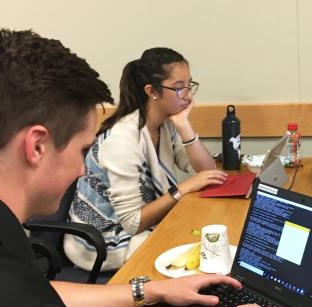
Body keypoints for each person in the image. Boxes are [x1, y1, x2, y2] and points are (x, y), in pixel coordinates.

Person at [0, 29, 291, 307]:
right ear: (37, 146)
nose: (85, 170)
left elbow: (41, 296)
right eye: (83, 150)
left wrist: (148, 290)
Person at [65, 47, 227, 271]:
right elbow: (132, 223)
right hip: (104, 239)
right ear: (152, 91)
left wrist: (185, 126)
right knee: (193, 252)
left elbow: (206, 171)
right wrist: (182, 188)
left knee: (206, 239)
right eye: (179, 88)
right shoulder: (122, 139)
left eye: (189, 86)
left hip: (140, 224)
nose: (188, 95)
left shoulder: (167, 124)